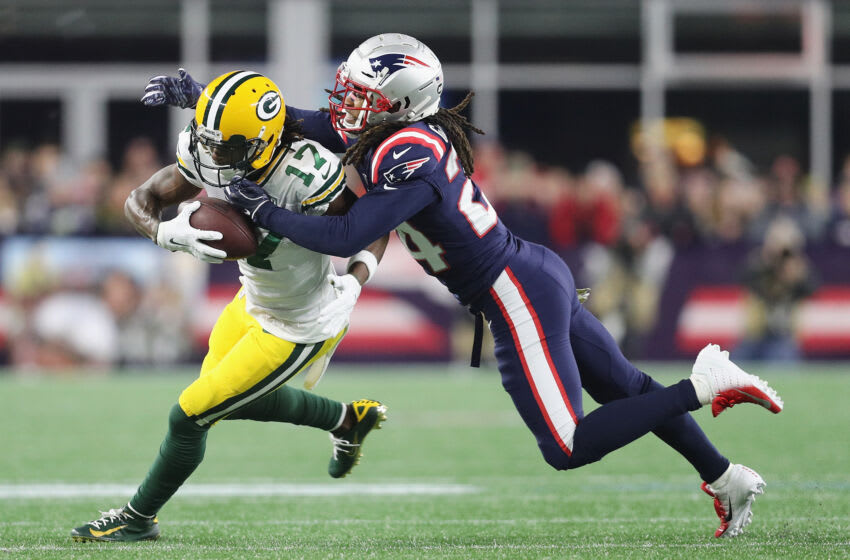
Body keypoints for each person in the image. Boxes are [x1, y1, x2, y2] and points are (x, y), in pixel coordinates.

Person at [144, 35, 784, 539]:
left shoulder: (407, 154)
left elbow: (346, 238)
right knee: (625, 386)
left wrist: (261, 210)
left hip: (514, 294)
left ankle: (704, 384)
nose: (343, 101)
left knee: (566, 445)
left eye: (360, 92)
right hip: (528, 274)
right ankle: (726, 477)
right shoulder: (384, 131)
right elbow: (291, 121)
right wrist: (202, 97)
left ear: (397, 103)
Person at [70, 71, 388, 543]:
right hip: (251, 299)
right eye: (209, 142)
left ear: (263, 140)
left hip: (300, 323)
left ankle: (138, 517)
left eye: (228, 147)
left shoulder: (306, 173)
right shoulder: (210, 148)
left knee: (190, 413)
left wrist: (356, 281)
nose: (215, 156)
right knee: (223, 401)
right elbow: (142, 198)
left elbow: (373, 227)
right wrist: (162, 231)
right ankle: (347, 419)